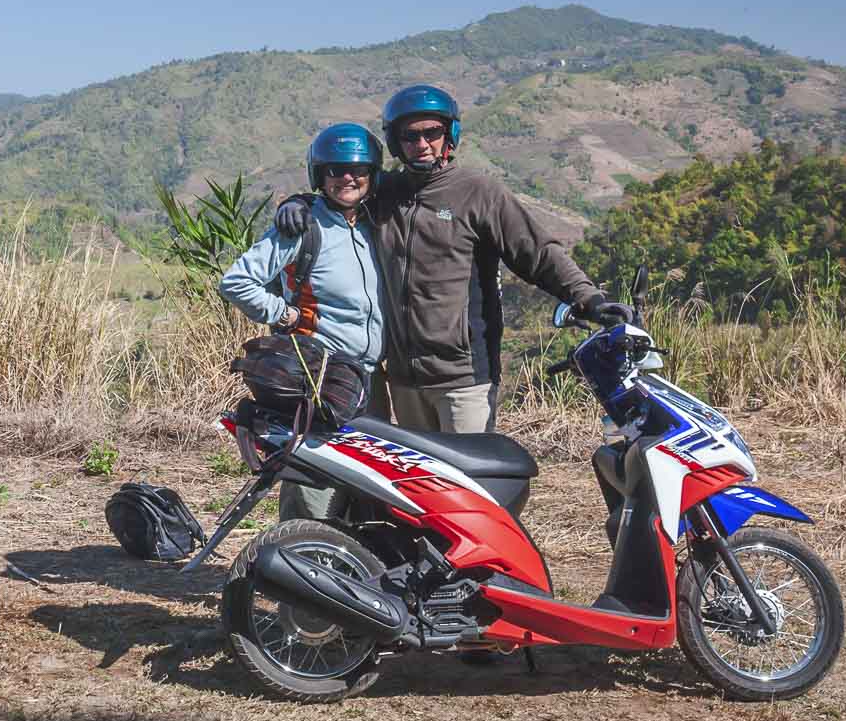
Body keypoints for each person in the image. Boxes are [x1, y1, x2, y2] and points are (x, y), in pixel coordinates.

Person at [274, 84, 630, 435]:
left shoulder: (478, 193)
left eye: (432, 132)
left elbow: (538, 254)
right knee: (420, 486)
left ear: (450, 135)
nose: (422, 144)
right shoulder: (385, 193)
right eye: (410, 136)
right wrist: (299, 202)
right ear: (397, 142)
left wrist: (590, 299)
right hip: (403, 379)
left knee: (468, 483)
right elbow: (341, 191)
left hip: (464, 377)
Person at [219, 122, 386, 521]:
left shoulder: (372, 225)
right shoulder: (302, 226)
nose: (348, 177)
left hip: (369, 378)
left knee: (364, 485)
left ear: (372, 174)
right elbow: (237, 281)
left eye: (358, 169)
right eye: (335, 170)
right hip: (320, 376)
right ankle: (296, 565)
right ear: (319, 175)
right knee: (314, 481)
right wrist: (284, 313)